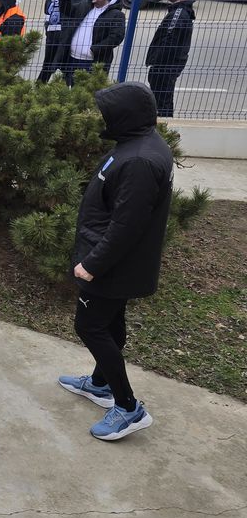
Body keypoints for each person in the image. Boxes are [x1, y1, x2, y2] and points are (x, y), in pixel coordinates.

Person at [58, 82, 173, 441]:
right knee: (110, 323)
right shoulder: (136, 145)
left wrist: (93, 264)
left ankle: (127, 407)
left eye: (108, 113)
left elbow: (127, 225)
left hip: (113, 264)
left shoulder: (139, 159)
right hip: (118, 263)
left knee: (90, 327)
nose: (102, 118)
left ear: (126, 117)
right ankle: (99, 384)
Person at [145, 0, 196, 118]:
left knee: (162, 102)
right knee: (161, 100)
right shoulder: (178, 11)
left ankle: (163, 130)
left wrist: (157, 63)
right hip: (166, 65)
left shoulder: (179, 13)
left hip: (165, 66)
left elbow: (169, 40)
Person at [64, 0, 126, 86]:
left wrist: (94, 49)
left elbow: (116, 37)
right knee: (72, 88)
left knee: (89, 93)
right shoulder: (86, 6)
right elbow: (68, 12)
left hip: (93, 61)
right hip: (73, 58)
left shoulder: (116, 15)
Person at [37, 0, 74, 82]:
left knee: (65, 67)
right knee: (47, 65)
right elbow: (47, 15)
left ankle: (66, 89)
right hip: (51, 37)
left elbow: (71, 14)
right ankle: (39, 86)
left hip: (65, 39)